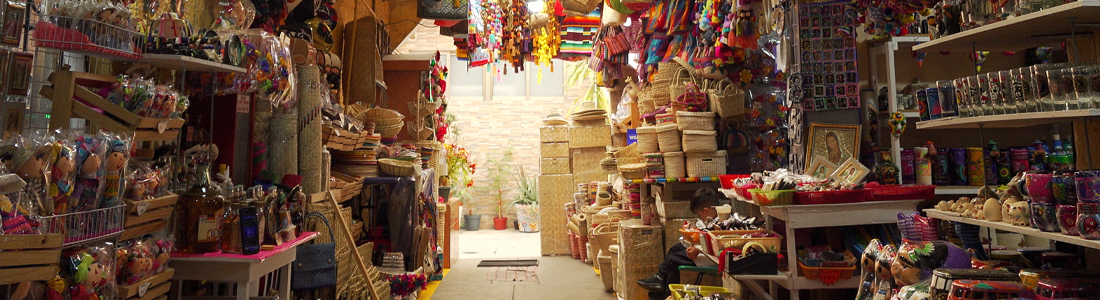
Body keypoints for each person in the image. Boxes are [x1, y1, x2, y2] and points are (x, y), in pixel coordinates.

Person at [636, 188, 720, 297]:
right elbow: (706, 235)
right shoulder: (712, 219)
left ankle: (665, 292)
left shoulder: (722, 223)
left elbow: (716, 246)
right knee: (674, 249)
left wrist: (698, 249)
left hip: (712, 258)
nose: (700, 218)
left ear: (706, 211)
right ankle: (661, 280)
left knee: (673, 260)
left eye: (699, 215)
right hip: (706, 251)